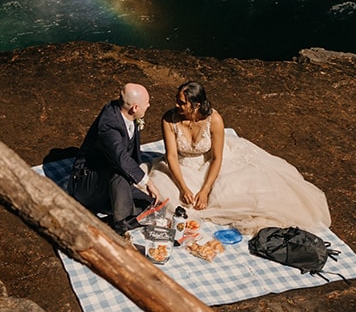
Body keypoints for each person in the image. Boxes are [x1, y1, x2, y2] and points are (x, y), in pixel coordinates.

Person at [146, 80, 331, 236]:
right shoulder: (169, 119)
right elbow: (171, 155)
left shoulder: (214, 119)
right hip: (181, 165)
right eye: (177, 101)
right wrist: (183, 187)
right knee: (168, 197)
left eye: (182, 103)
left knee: (237, 193)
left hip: (209, 162)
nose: (176, 105)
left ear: (196, 105)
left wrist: (205, 190)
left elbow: (217, 158)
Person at [66, 83, 157, 233]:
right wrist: (147, 182)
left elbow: (131, 152)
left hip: (108, 178)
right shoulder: (109, 124)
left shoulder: (126, 112)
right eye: (146, 103)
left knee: (149, 204)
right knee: (120, 170)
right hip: (87, 183)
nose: (149, 106)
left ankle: (115, 215)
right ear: (134, 107)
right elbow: (121, 158)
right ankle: (121, 223)